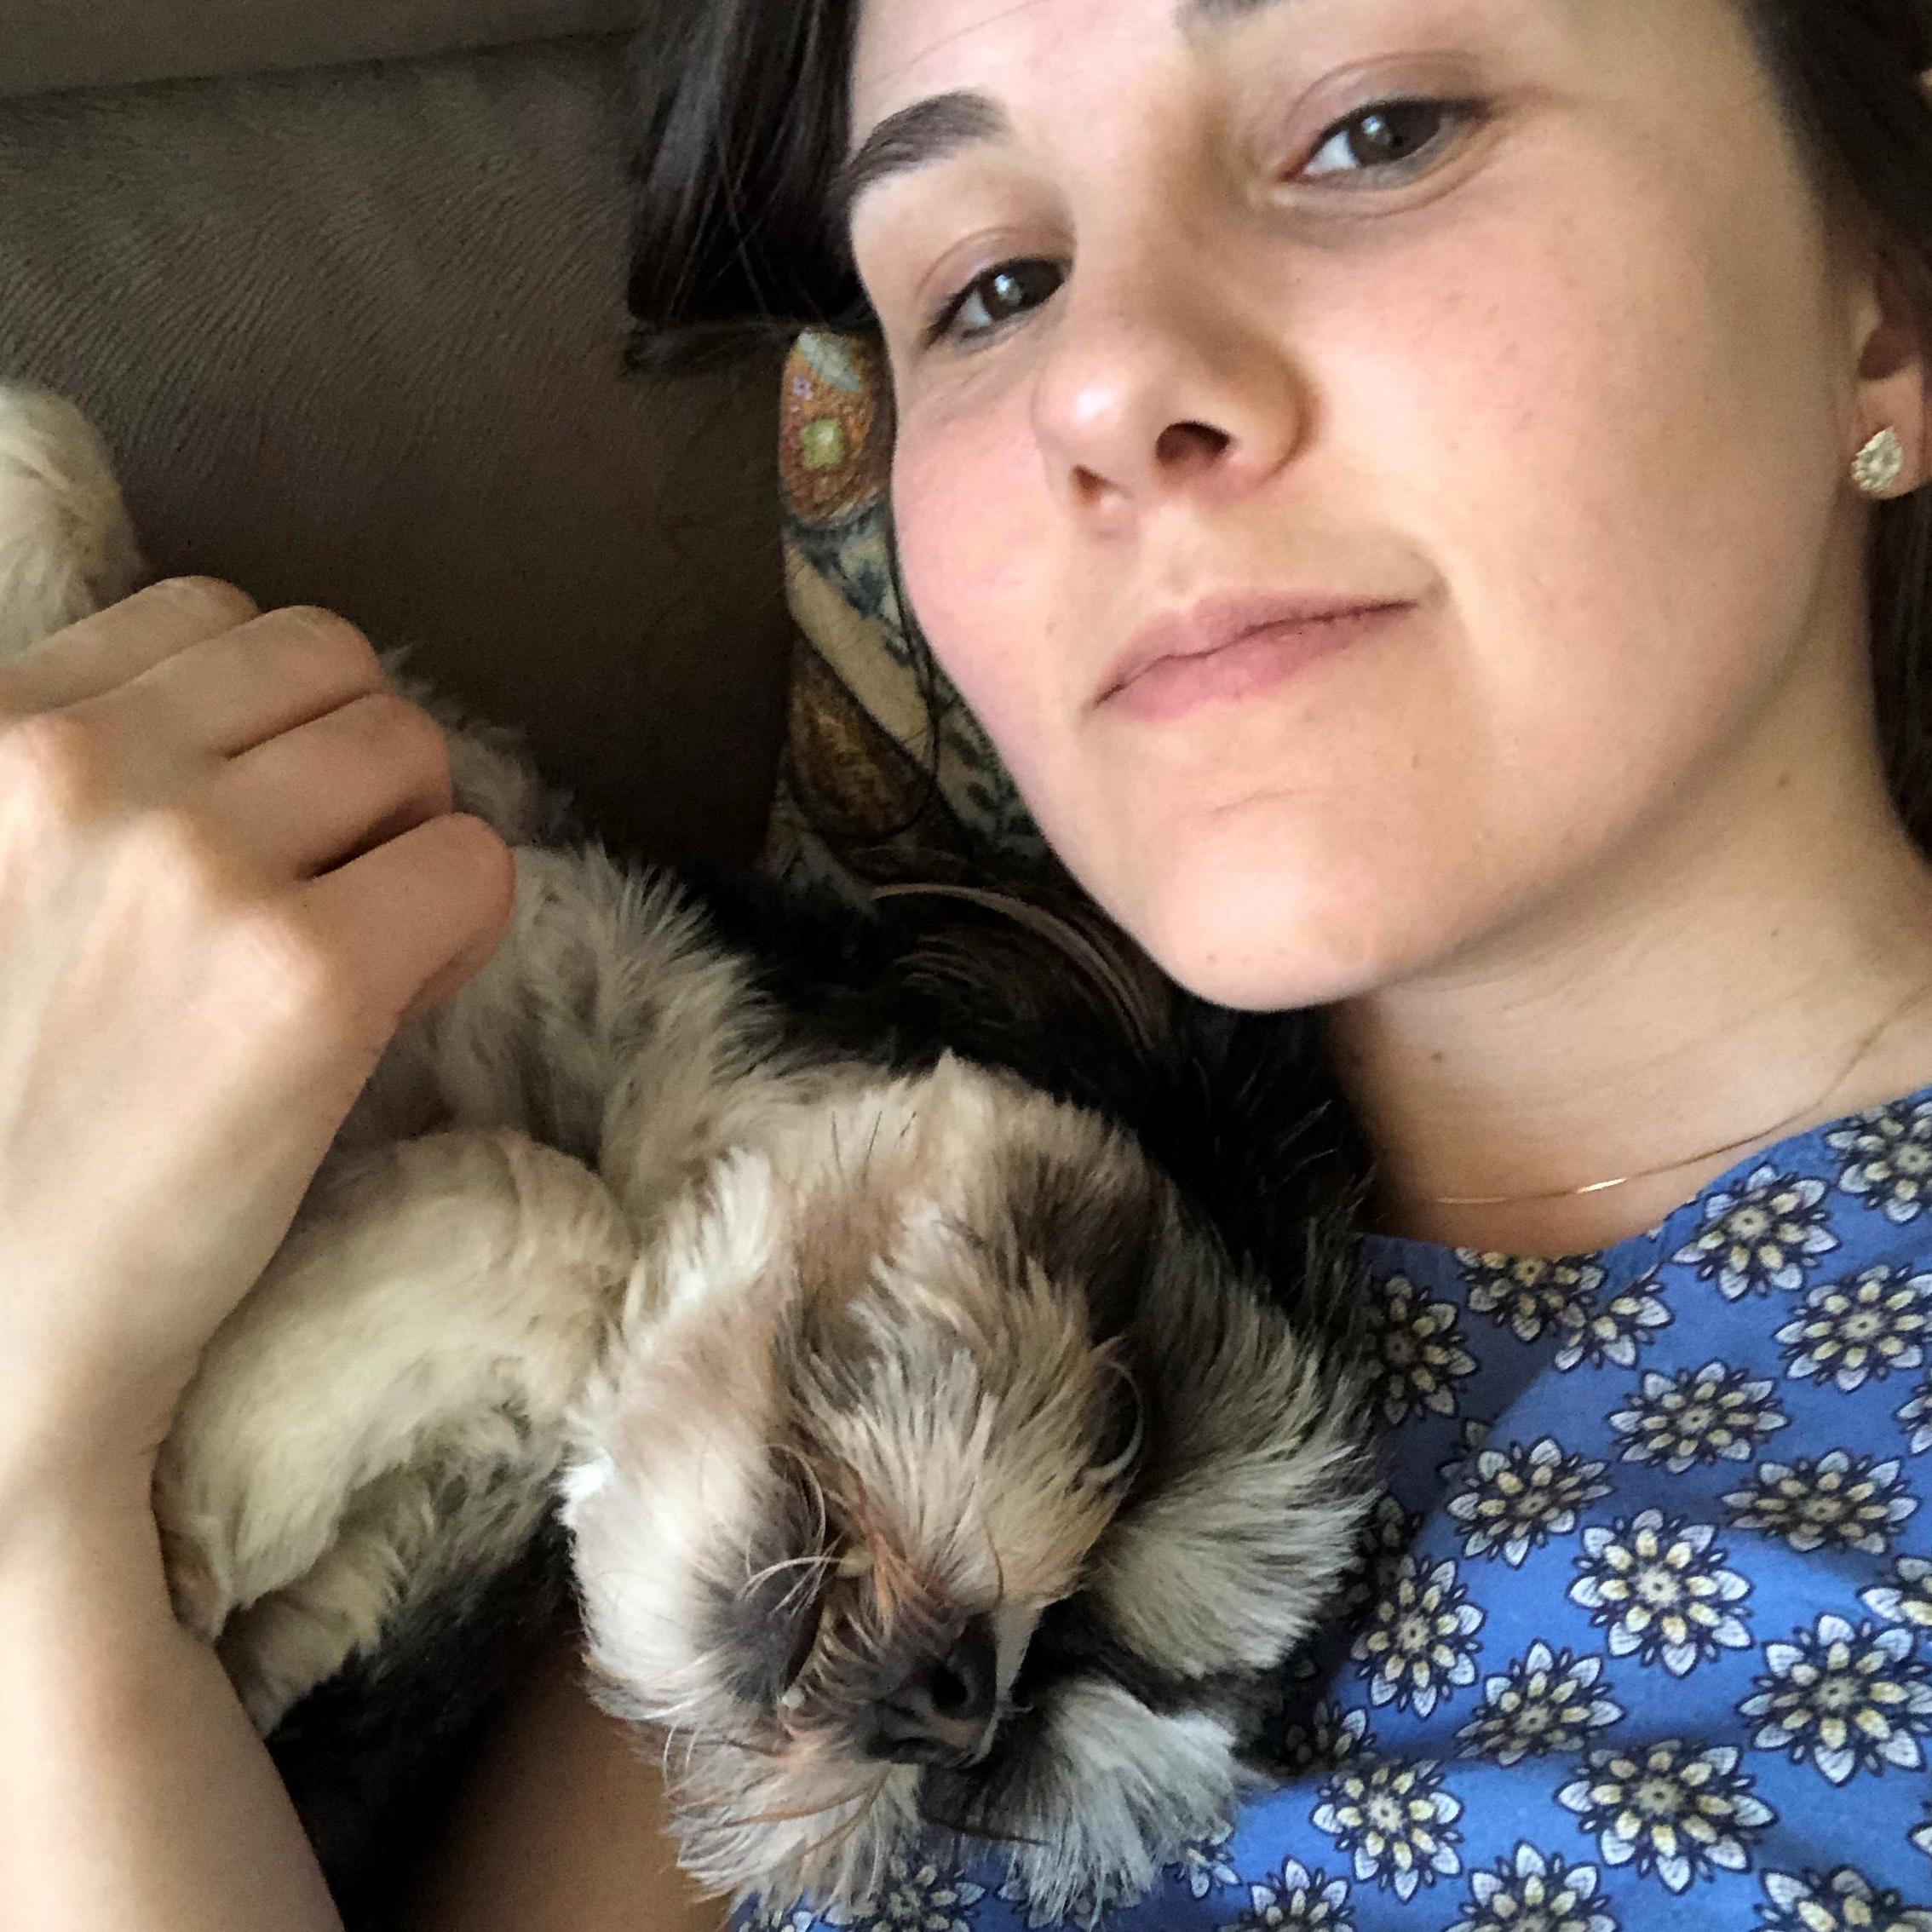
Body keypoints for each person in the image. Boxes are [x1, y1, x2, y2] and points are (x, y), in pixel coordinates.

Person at [3, 0, 1930, 1926]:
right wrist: (50, 1467)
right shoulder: (907, 1283)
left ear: (1891, 301)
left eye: (1376, 132)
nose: (1103, 384)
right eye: (994, 289)